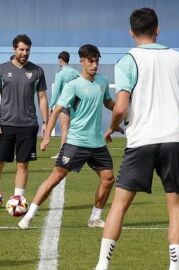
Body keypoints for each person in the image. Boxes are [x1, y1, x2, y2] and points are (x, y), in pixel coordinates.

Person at [94, 8, 179, 270]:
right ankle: (174, 267)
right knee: (176, 206)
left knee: (119, 205)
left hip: (142, 139)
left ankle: (102, 265)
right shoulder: (177, 57)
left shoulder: (127, 60)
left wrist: (113, 126)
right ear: (157, 29)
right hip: (175, 139)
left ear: (131, 32)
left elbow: (121, 106)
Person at [18, 44, 115, 230]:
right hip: (76, 142)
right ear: (82, 61)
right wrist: (46, 136)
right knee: (55, 178)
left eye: (97, 61)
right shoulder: (73, 85)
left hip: (97, 143)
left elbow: (109, 102)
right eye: (91, 61)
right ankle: (29, 215)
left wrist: (123, 110)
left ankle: (95, 218)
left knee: (108, 179)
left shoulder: (102, 82)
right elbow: (56, 111)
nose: (95, 65)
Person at [0, 34, 49, 197]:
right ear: (14, 49)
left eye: (27, 50)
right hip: (5, 124)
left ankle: (18, 199)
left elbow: (42, 98)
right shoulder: (2, 69)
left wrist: (45, 122)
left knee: (22, 165)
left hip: (28, 125)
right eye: (21, 49)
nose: (25, 53)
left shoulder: (37, 71)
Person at [49, 51, 80, 159]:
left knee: (64, 129)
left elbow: (56, 91)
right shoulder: (76, 73)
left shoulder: (60, 74)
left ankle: (63, 153)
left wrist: (51, 105)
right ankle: (73, 151)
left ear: (60, 60)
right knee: (73, 129)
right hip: (75, 105)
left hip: (64, 104)